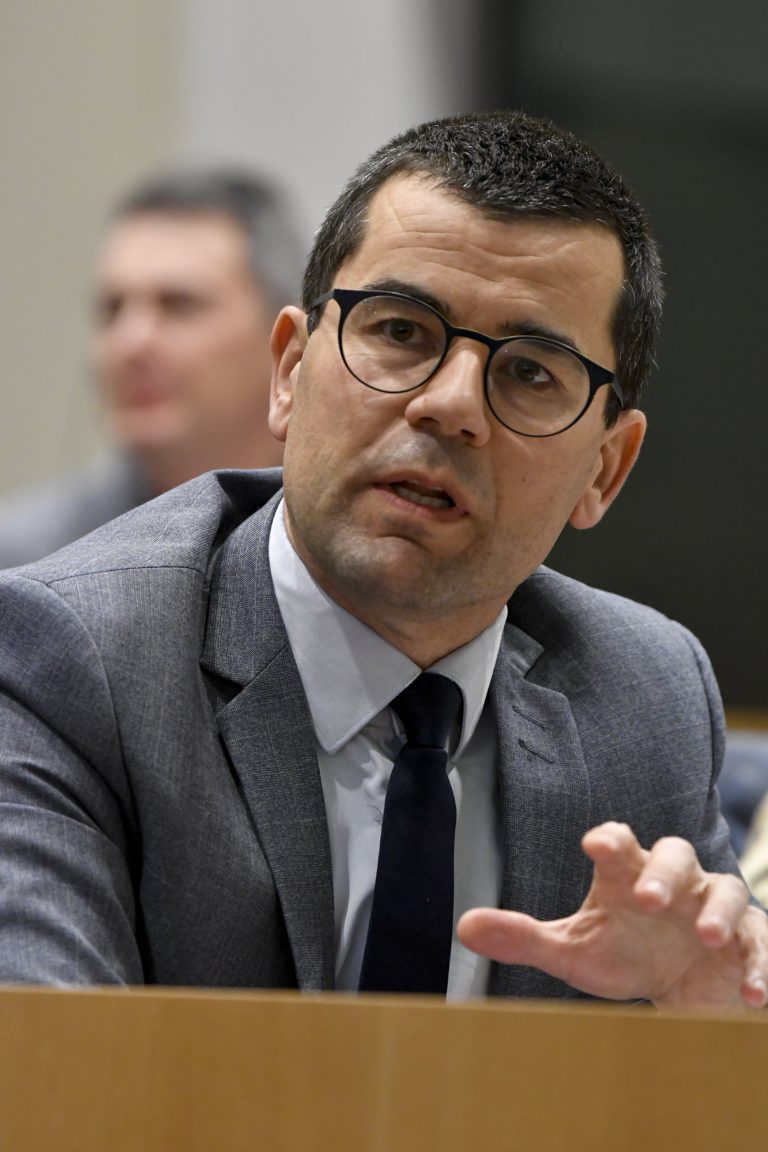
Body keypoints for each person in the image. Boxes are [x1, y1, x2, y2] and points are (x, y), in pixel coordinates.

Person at [0, 110, 766, 1008]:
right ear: (289, 372)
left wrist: (715, 1043)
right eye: (401, 331)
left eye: (530, 372)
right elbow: (56, 1070)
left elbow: (706, 1039)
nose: (451, 405)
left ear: (605, 468)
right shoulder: (72, 661)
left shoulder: (646, 700)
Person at [0, 167, 304, 568]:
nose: (130, 343)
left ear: (284, 341)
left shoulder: (350, 543)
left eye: (179, 305)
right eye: (113, 309)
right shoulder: (23, 564)